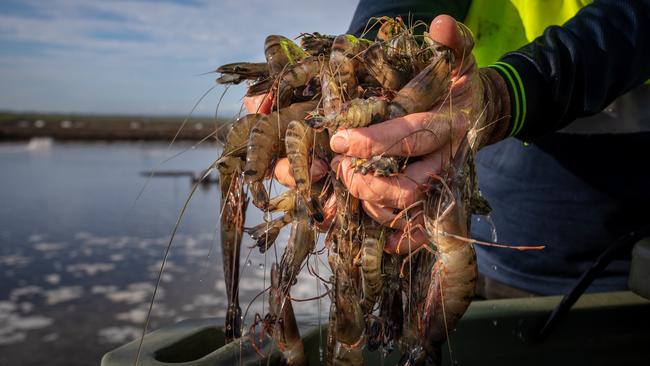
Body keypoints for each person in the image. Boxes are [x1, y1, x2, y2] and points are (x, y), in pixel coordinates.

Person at [247, 0, 650, 298]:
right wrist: (365, 60)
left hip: (633, 248)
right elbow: (402, 10)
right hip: (487, 238)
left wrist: (509, 92)